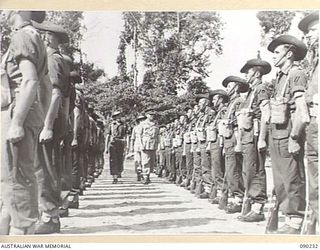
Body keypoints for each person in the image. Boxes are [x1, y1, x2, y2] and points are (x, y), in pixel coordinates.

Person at [0, 10, 48, 235]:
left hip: (17, 110)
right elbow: (44, 87)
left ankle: (22, 233)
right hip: (26, 110)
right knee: (16, 175)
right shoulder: (34, 35)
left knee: (16, 175)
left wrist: (17, 122)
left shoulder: (22, 36)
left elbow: (29, 80)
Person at [267, 34, 308, 234]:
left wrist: (294, 137)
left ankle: (295, 220)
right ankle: (286, 216)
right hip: (276, 134)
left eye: (277, 52)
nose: (274, 56)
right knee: (280, 179)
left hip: (288, 133)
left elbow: (300, 108)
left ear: (289, 53)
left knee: (292, 177)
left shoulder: (296, 73)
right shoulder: (280, 77)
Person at [32, 20, 70, 234]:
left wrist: (47, 125)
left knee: (44, 169)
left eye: (41, 34)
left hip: (48, 121)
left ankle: (49, 217)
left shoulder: (52, 60)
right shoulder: (54, 59)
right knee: (45, 167)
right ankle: (48, 214)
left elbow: (55, 94)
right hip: (51, 120)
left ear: (48, 37)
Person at [237, 58, 272, 222]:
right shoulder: (251, 92)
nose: (245, 74)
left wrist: (263, 139)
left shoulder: (261, 89)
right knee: (248, 170)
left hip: (256, 135)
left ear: (257, 73)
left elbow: (266, 115)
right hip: (247, 135)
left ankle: (258, 207)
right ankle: (252, 204)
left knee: (256, 170)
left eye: (248, 71)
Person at [298, 11, 319, 235]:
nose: (309, 35)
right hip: (313, 123)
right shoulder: (314, 62)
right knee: (313, 172)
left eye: (313, 30)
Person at [219, 76, 248, 213]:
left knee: (234, 169)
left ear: (236, 87)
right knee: (230, 169)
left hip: (235, 137)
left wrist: (238, 143)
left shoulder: (239, 102)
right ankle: (234, 196)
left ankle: (239, 198)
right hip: (228, 138)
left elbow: (240, 123)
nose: (227, 89)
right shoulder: (231, 103)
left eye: (229, 86)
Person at [206, 89, 228, 204]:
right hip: (214, 143)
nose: (213, 102)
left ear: (220, 99)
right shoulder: (218, 112)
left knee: (218, 168)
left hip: (219, 143)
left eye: (214, 99)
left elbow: (224, 128)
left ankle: (221, 193)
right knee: (215, 168)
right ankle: (218, 192)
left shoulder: (224, 111)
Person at [106, 111, 126, 184]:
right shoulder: (111, 125)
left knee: (120, 159)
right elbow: (108, 136)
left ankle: (118, 173)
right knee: (113, 160)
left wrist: (126, 147)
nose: (119, 117)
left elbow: (125, 136)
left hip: (120, 143)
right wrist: (106, 147)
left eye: (120, 116)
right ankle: (114, 177)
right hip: (113, 143)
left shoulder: (123, 126)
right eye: (117, 116)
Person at [140, 109, 159, 184]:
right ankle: (145, 176)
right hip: (145, 143)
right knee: (145, 160)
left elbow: (158, 135)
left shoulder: (155, 124)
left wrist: (158, 145)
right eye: (150, 114)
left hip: (153, 144)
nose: (152, 116)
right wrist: (140, 144)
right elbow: (139, 135)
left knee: (151, 161)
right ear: (146, 115)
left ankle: (148, 175)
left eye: (153, 115)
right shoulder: (143, 124)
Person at [130, 114, 147, 181]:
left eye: (143, 119)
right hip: (137, 145)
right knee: (137, 160)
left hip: (145, 146)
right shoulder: (135, 128)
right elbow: (132, 138)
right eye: (141, 120)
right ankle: (138, 174)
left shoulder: (147, 128)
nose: (142, 121)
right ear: (139, 121)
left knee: (144, 161)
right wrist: (131, 147)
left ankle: (145, 175)